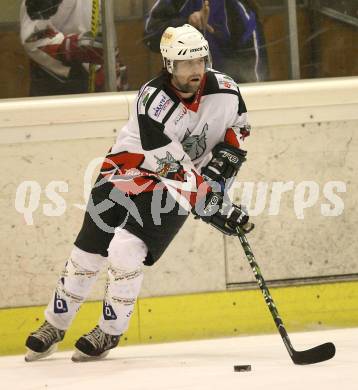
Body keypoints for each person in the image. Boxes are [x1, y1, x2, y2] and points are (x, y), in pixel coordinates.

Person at [24, 24, 253, 363]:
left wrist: (222, 168)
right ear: (168, 65)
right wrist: (211, 203)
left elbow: (240, 128)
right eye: (186, 64)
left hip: (179, 181)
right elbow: (172, 167)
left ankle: (110, 330)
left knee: (125, 247)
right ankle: (55, 324)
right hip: (129, 168)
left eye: (201, 61)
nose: (196, 71)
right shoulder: (152, 102)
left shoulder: (228, 91)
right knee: (89, 248)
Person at [144, 0, 269, 83]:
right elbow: (150, 37)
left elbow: (255, 71)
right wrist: (186, 23)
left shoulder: (237, 9)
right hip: (181, 99)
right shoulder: (175, 2)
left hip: (224, 100)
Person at [20, 0, 128, 96]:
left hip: (95, 78)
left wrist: (114, 71)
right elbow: (32, 38)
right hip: (57, 84)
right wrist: (71, 48)